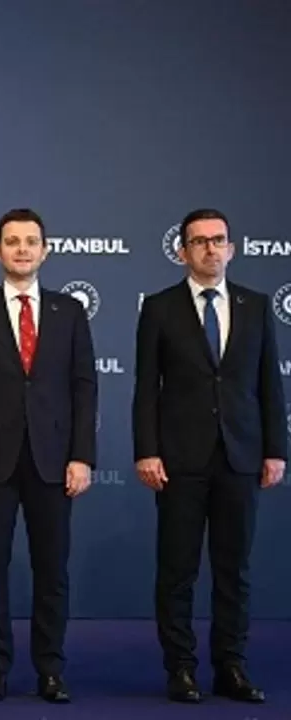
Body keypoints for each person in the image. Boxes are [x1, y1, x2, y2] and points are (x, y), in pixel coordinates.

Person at [133, 208, 285, 705]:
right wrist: (147, 450)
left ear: (232, 248)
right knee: (177, 570)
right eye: (199, 242)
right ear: (182, 252)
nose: (210, 249)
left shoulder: (256, 306)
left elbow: (269, 384)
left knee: (233, 570)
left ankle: (231, 667)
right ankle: (181, 667)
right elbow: (146, 389)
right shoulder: (160, 308)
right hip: (179, 459)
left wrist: (275, 450)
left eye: (218, 240)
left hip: (240, 455)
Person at [0, 208, 96, 704]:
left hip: (54, 462)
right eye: (12, 242)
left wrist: (82, 456)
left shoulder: (69, 312)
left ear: (45, 251)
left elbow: (84, 388)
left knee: (52, 572)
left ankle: (50, 670)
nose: (22, 249)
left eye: (31, 241)